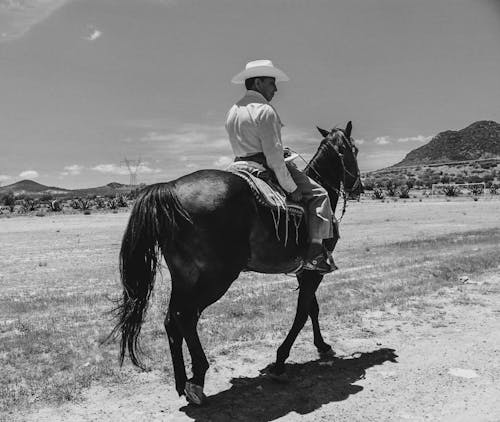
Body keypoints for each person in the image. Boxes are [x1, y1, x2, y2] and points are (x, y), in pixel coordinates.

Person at [225, 59, 337, 273]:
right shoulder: (265, 110)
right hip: (262, 165)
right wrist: (292, 189)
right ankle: (315, 252)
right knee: (320, 194)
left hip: (238, 165)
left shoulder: (233, 110)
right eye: (271, 83)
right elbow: (274, 158)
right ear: (258, 83)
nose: (275, 89)